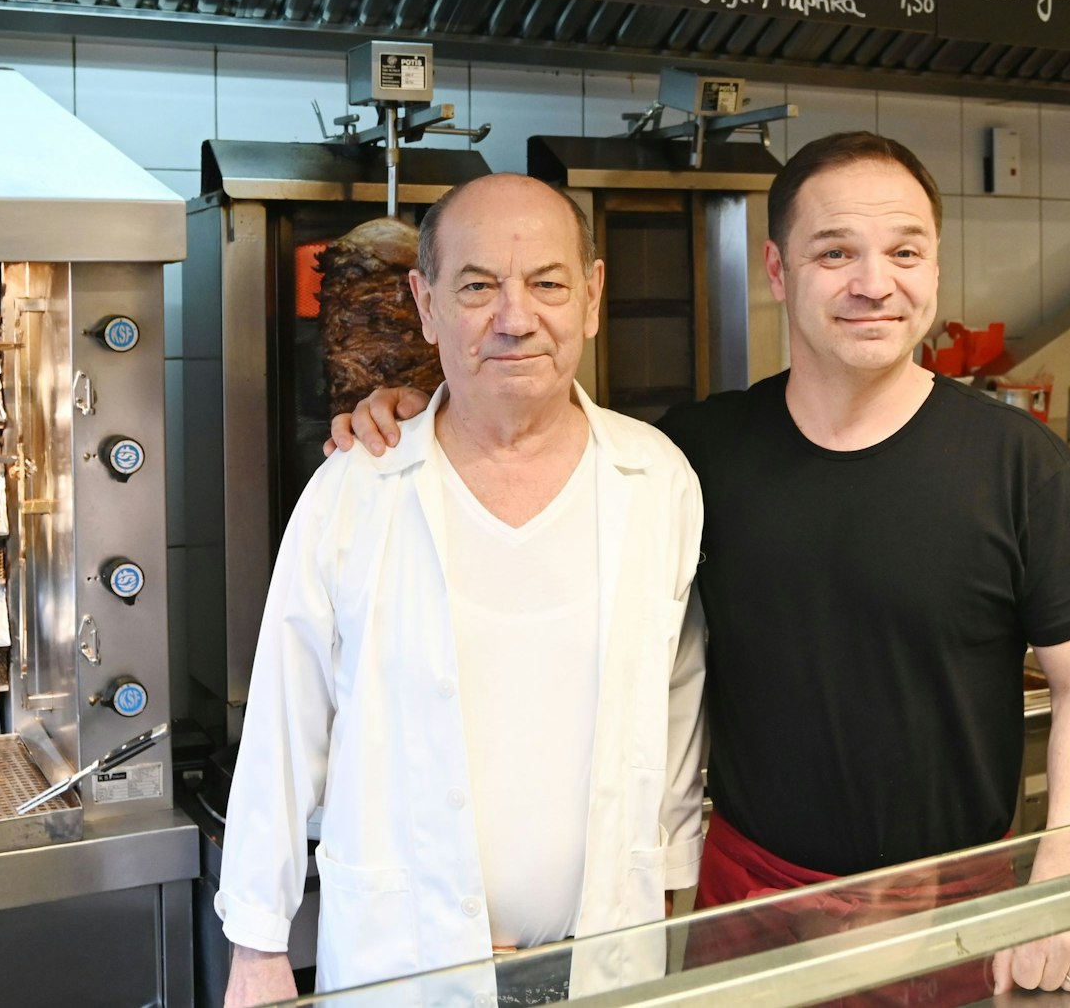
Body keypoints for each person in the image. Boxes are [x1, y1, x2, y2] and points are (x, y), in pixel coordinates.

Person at [330, 133, 1070, 997]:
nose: (874, 282)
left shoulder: (1018, 463)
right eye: (836, 252)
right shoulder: (693, 457)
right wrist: (415, 413)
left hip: (954, 912)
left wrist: (1065, 880)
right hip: (750, 910)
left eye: (905, 251)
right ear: (778, 270)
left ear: (934, 265)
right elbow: (534, 450)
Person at [220, 174, 707, 1007]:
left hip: (606, 961)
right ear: (424, 301)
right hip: (405, 968)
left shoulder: (656, 478)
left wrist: (667, 887)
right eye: (478, 286)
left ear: (591, 296)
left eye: (547, 283)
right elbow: (281, 724)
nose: (515, 318)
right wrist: (257, 948)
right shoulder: (355, 489)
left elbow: (676, 705)